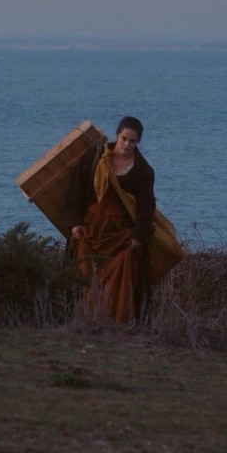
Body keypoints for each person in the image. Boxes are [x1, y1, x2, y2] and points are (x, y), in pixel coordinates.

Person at [68, 115, 157, 323]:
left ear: (138, 142)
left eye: (132, 141)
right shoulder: (96, 156)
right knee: (84, 273)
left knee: (122, 271)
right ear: (117, 135)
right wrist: (75, 223)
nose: (127, 144)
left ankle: (115, 321)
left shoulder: (143, 170)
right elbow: (76, 189)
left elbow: (146, 206)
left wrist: (139, 237)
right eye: (124, 138)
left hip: (120, 233)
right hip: (91, 228)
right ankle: (85, 319)